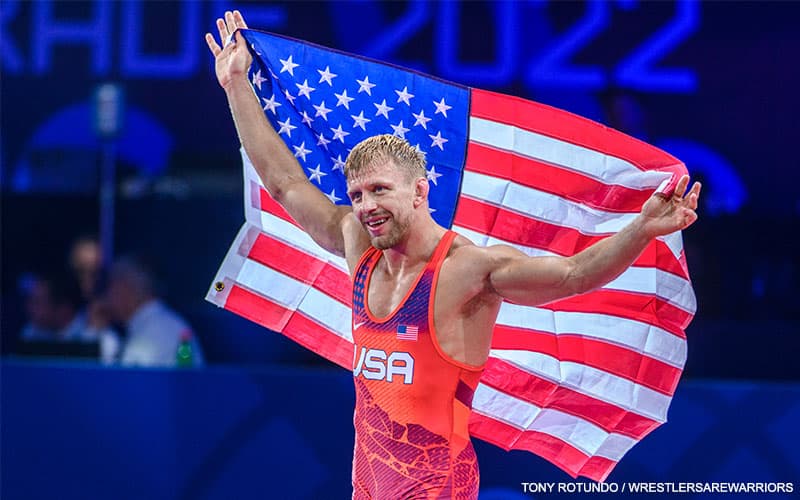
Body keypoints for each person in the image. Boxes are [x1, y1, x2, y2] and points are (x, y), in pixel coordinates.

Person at [206, 11, 702, 499]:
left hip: (439, 489)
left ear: (420, 191)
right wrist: (236, 85)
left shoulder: (467, 268)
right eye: (356, 195)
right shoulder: (355, 240)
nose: (366, 207)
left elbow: (573, 274)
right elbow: (285, 182)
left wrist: (641, 230)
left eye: (380, 191)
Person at [101, 255, 204, 368]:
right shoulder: (160, 323)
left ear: (125, 288)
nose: (106, 296)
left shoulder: (156, 330)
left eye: (110, 287)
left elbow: (124, 382)